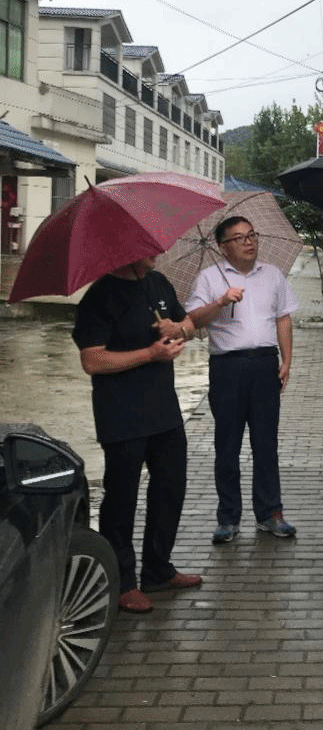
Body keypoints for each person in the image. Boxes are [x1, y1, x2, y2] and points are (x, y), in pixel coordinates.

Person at [72, 254, 202, 614]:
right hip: (121, 414)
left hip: (165, 411)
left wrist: (178, 330)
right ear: (128, 250)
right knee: (121, 499)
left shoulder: (157, 283)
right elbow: (92, 360)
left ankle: (158, 570)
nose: (157, 250)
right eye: (149, 246)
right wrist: (149, 353)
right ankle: (122, 581)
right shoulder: (100, 296)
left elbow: (188, 323)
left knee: (171, 489)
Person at [187, 216, 299, 545]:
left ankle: (270, 513)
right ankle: (228, 518)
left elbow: (283, 318)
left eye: (252, 235)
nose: (249, 242)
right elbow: (193, 320)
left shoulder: (272, 275)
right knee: (227, 445)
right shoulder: (209, 278)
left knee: (266, 444)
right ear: (223, 247)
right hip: (228, 367)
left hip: (265, 364)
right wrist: (221, 301)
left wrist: (287, 359)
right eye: (239, 238)